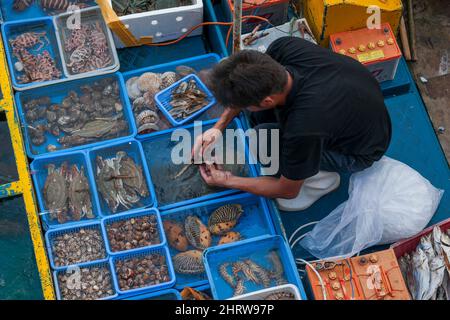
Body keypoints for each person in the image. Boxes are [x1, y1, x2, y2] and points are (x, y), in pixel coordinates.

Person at [192, 37, 392, 211]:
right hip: (354, 104)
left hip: (357, 152)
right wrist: (217, 128)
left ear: (267, 101)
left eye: (241, 105)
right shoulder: (284, 48)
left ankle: (320, 180)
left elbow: (286, 191)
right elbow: (248, 96)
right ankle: (303, 166)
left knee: (265, 140)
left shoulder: (304, 127)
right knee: (258, 123)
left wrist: (226, 180)